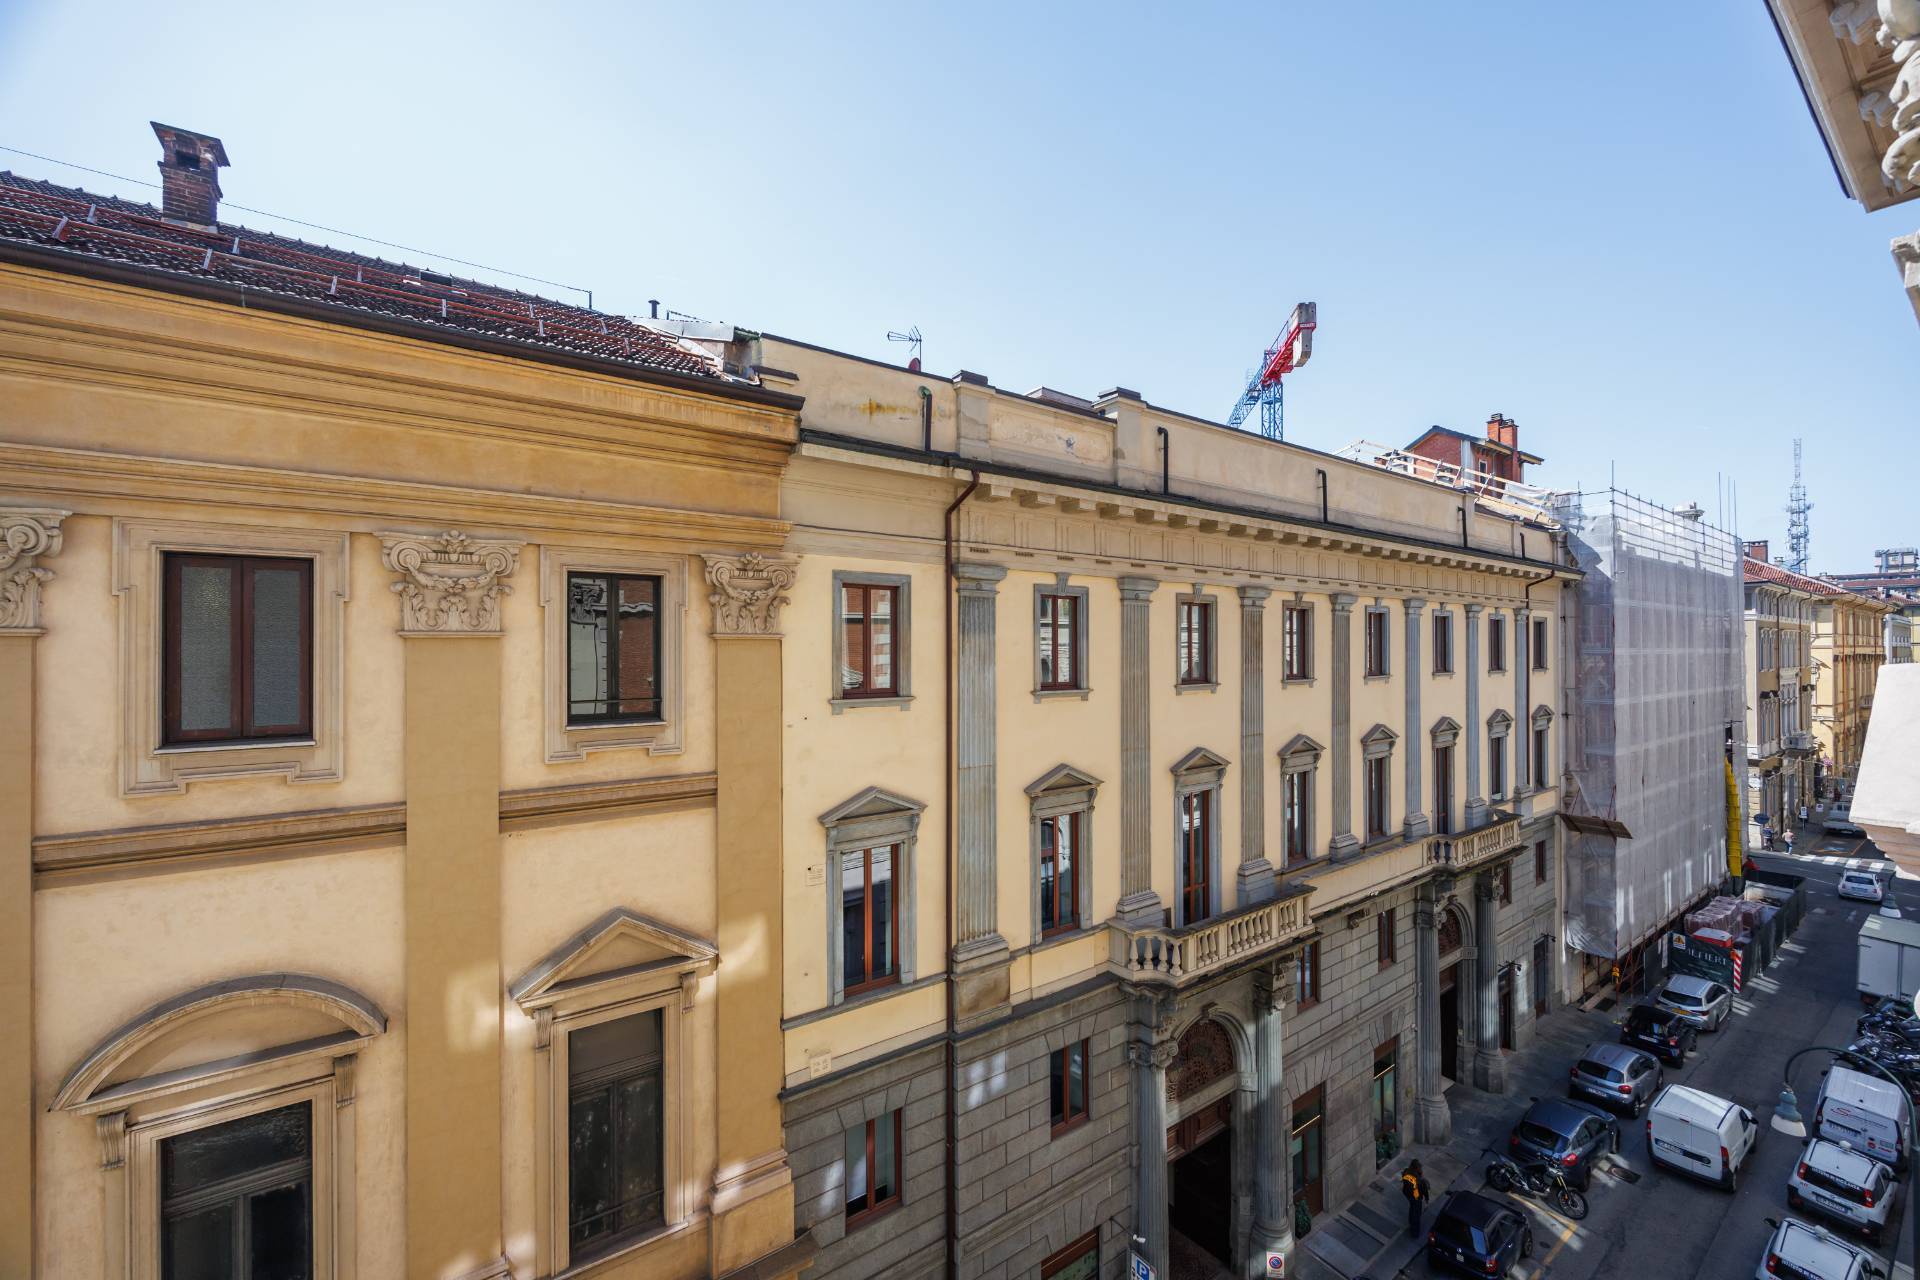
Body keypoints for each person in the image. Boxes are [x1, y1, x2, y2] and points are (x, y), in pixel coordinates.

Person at [1401, 1158, 1430, 1238]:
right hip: (1415, 1197)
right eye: (1419, 1168)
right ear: (1416, 1168)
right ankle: (1415, 1232)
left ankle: (1411, 1222)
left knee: (1413, 1209)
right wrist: (1425, 1197)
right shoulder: (1417, 1179)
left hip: (1409, 1195)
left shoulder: (1407, 1172)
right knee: (1416, 1214)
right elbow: (1422, 1189)